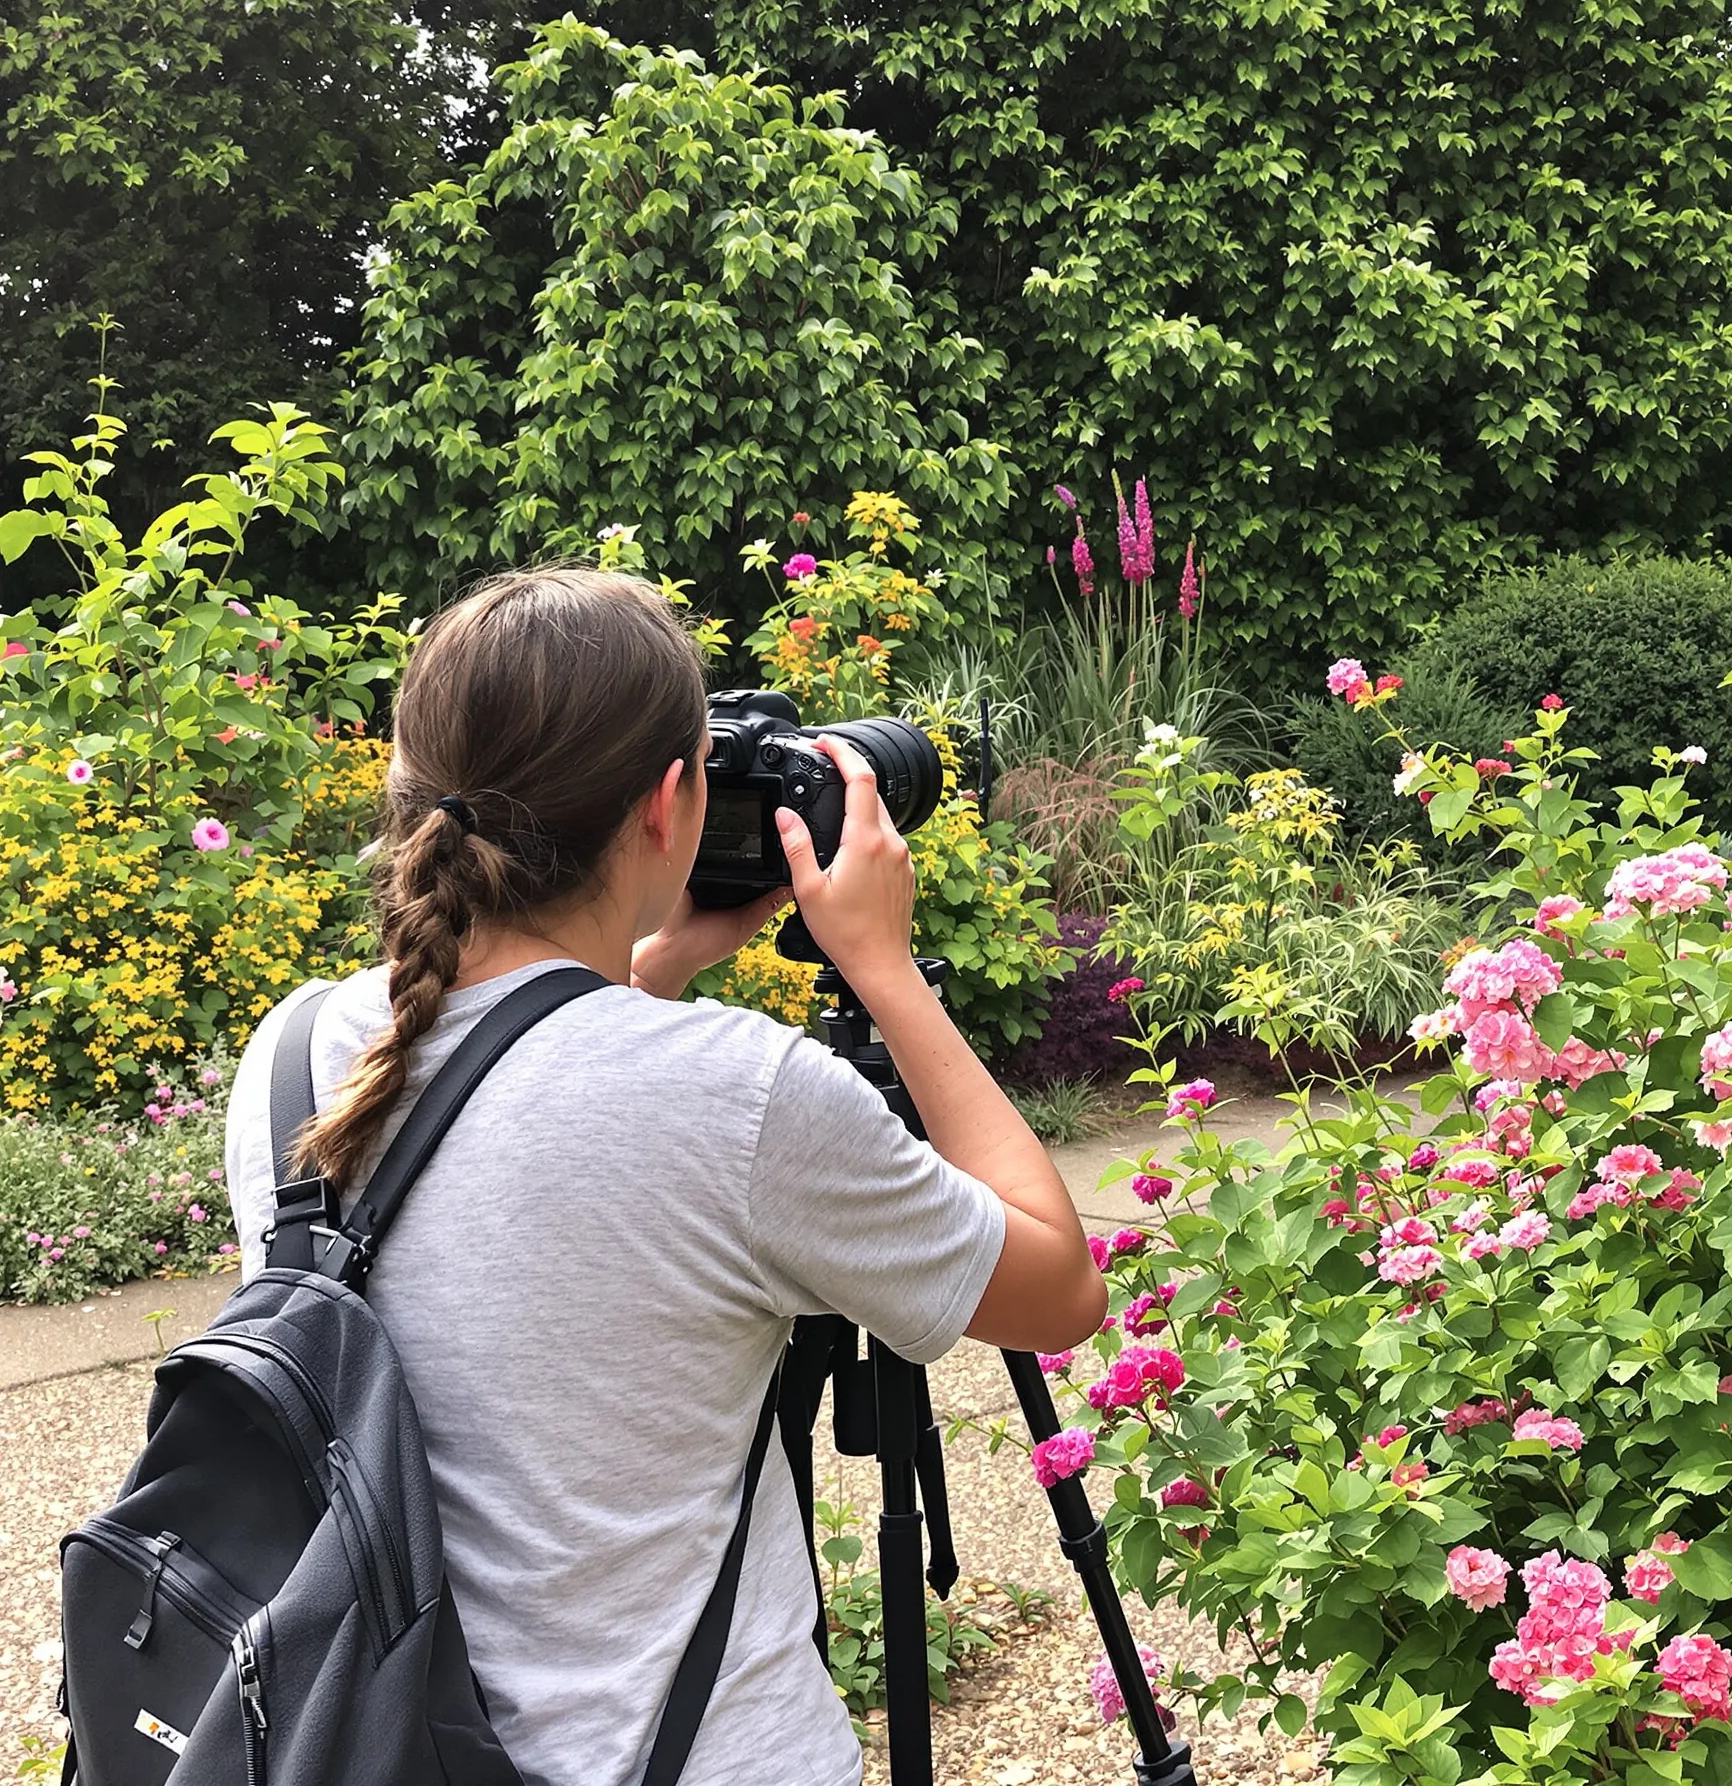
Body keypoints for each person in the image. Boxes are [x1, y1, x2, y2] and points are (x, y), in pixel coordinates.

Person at [224, 566, 1107, 1786]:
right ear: (668, 802)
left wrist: (653, 959)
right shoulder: (741, 1097)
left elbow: (510, 1112)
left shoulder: (292, 1055)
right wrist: (885, 970)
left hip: (374, 1743)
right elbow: (1058, 1290)